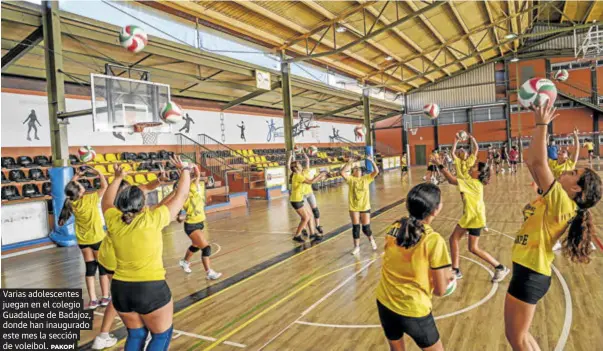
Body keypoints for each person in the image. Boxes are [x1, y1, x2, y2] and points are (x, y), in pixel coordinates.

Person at [504, 104, 601, 351]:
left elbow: (538, 161)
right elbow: (530, 160)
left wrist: (541, 124)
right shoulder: (559, 199)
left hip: (531, 273)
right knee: (520, 338)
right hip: (528, 270)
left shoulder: (563, 202)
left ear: (577, 188)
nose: (568, 170)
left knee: (518, 339)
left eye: (574, 172)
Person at [100, 156, 191, 350]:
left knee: (137, 334)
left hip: (120, 290)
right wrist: (185, 170)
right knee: (161, 336)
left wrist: (117, 178)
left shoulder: (113, 219)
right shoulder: (153, 219)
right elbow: (182, 196)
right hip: (150, 289)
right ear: (143, 204)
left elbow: (106, 200)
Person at [376, 183, 454, 351]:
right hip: (413, 309)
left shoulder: (394, 227)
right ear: (435, 210)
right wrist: (450, 280)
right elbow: (441, 290)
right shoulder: (433, 240)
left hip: (385, 302)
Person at [436, 158, 510, 282]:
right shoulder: (472, 181)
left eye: (475, 167)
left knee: (462, 243)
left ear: (479, 173)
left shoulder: (474, 183)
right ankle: (498, 267)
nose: (472, 168)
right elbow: (458, 176)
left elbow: (451, 180)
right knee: (467, 245)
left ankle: (457, 269)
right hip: (473, 216)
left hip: (473, 217)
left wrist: (439, 164)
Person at [58, 167, 110, 310]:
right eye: (80, 185)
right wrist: (99, 172)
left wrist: (76, 176)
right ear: (81, 192)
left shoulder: (71, 203)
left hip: (83, 241)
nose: (82, 185)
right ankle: (105, 297)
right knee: (103, 268)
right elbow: (105, 186)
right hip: (97, 238)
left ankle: (93, 299)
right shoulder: (90, 198)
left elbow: (69, 190)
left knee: (90, 269)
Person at [178, 166, 222, 280]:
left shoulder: (194, 187)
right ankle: (209, 272)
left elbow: (197, 175)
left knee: (196, 246)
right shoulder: (182, 198)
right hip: (191, 226)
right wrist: (181, 217)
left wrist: (192, 166)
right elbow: (178, 217)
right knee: (206, 248)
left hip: (200, 223)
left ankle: (185, 262)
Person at [341, 157, 379, 255]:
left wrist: (371, 161)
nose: (358, 170)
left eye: (359, 169)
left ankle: (371, 240)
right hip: (354, 207)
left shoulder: (366, 179)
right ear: (353, 172)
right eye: (356, 169)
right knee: (356, 227)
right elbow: (342, 172)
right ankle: (356, 247)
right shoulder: (351, 179)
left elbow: (376, 171)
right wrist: (349, 163)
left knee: (366, 228)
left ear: (362, 172)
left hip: (365, 207)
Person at [288, 153, 326, 242]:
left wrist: (319, 177)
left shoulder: (297, 175)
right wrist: (320, 176)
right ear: (296, 168)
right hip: (296, 200)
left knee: (309, 215)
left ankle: (312, 234)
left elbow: (310, 181)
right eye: (299, 165)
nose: (301, 165)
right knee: (306, 218)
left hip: (299, 199)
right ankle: (297, 235)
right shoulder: (298, 176)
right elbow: (310, 182)